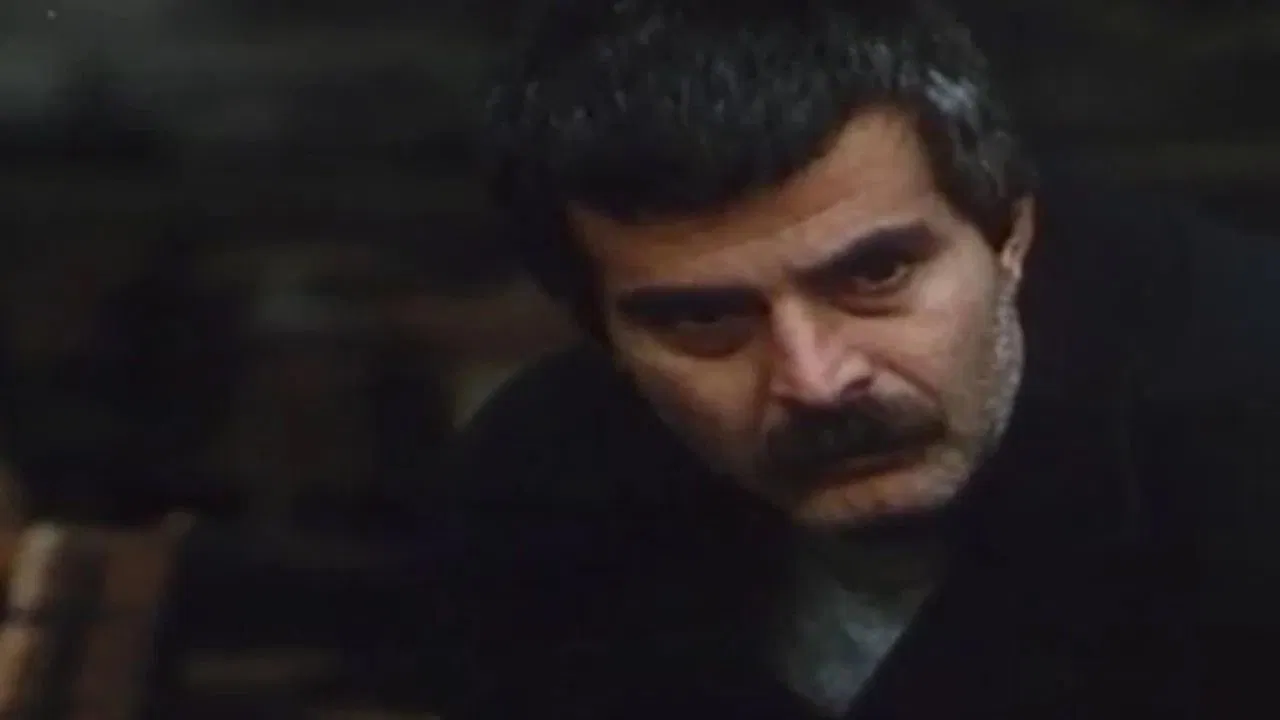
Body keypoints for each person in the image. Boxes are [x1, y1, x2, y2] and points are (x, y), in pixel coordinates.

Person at [424, 0, 1280, 717]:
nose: (816, 381)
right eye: (704, 319)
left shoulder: (1244, 423)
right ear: (602, 335)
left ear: (1009, 233)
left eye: (876, 276)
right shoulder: (535, 503)